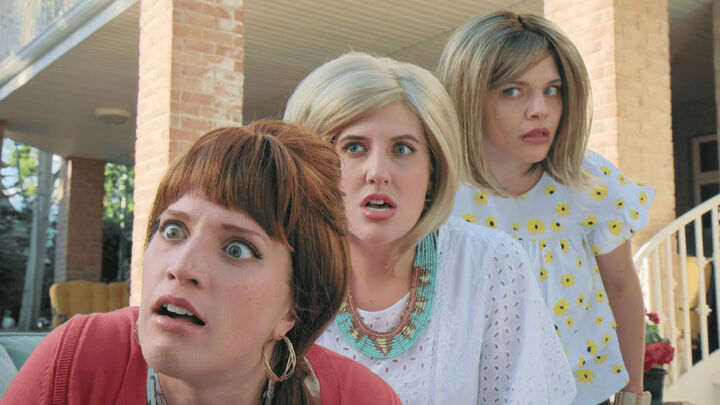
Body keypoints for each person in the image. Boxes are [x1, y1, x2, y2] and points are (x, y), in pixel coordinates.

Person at [1, 121, 401, 405]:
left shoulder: (361, 398)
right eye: (173, 230)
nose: (182, 266)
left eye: (237, 249)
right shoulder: (76, 360)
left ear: (294, 308)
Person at [284, 52, 575, 404]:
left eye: (402, 149)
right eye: (354, 147)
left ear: (434, 170)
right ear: (313, 164)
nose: (378, 173)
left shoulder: (492, 264)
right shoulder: (281, 265)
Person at [437, 11, 655, 405]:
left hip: (581, 395)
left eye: (552, 90)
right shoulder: (436, 195)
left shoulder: (591, 184)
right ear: (469, 97)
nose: (540, 109)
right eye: (513, 91)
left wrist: (634, 394)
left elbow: (622, 287)